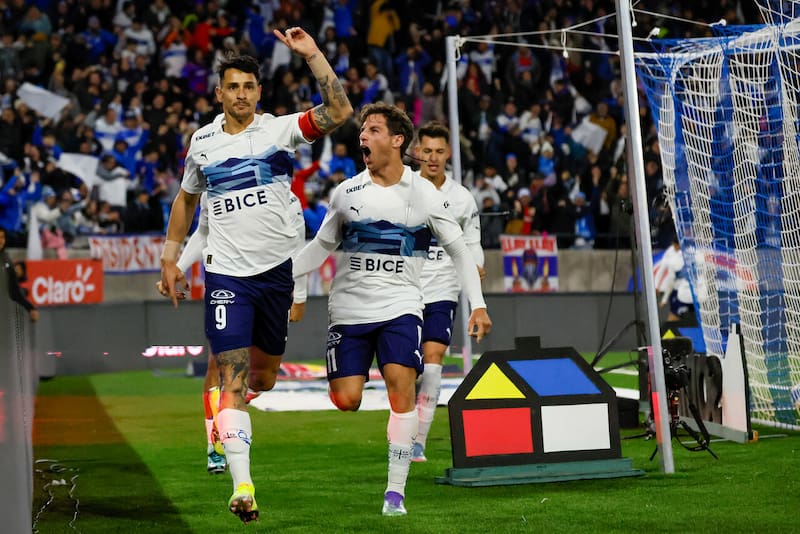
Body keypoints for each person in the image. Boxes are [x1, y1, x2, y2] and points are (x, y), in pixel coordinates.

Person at [159, 29, 353, 524]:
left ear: (258, 92)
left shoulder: (279, 130)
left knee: (260, 378)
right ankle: (242, 484)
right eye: (233, 86)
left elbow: (340, 113)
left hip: (275, 277)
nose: (241, 93)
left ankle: (228, 430)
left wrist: (311, 55)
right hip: (226, 276)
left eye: (249, 85)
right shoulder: (201, 143)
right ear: (219, 92)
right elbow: (186, 199)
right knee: (231, 376)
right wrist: (170, 257)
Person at [292, 103, 492, 517]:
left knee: (402, 386)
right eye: (362, 130)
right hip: (348, 310)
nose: (362, 136)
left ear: (397, 140)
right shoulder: (346, 194)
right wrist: (277, 275)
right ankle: (364, 403)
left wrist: (479, 306)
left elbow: (459, 252)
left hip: (402, 305)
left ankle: (395, 494)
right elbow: (320, 248)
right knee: (346, 399)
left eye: (373, 130)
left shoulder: (425, 196)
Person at [157, 191, 308, 475]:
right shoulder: (217, 186)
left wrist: (298, 295)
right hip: (228, 281)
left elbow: (298, 247)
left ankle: (233, 401)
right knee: (220, 362)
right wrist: (179, 265)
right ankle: (214, 445)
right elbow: (203, 232)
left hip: (271, 288)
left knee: (263, 379)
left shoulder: (285, 198)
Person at [411, 121, 485, 462]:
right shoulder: (404, 189)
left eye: (439, 151)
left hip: (442, 288)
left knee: (434, 360)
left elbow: (472, 242)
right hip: (404, 289)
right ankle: (407, 414)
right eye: (427, 151)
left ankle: (418, 441)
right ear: (416, 152)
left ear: (448, 153)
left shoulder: (461, 198)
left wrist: (477, 265)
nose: (433, 157)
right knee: (407, 368)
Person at [1, 226, 39, 322]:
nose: (0, 240)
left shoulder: (6, 260)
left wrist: (30, 308)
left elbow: (14, 290)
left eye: (2, 237)